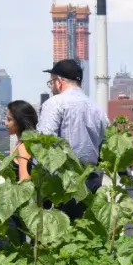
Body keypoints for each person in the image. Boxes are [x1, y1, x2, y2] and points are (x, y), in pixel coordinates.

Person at [37, 59, 109, 219]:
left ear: (59, 82)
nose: (51, 88)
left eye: (51, 83)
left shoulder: (54, 104)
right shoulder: (98, 109)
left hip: (62, 183)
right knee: (84, 234)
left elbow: (44, 144)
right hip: (91, 183)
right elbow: (107, 146)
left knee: (57, 237)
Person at [5, 100, 39, 182]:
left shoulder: (23, 148)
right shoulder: (21, 144)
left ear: (19, 121)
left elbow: (25, 180)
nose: (5, 123)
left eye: (9, 120)